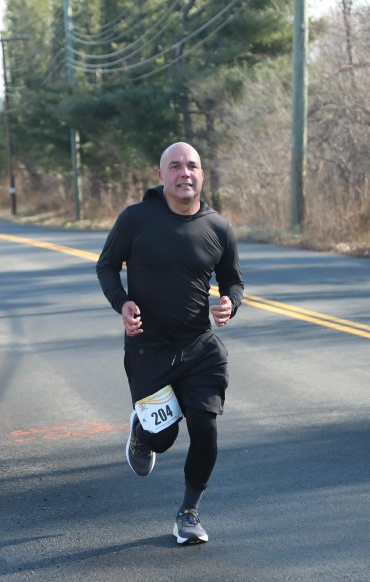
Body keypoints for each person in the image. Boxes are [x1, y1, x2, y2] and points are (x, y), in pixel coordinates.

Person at [96, 141, 244, 545]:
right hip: (148, 348)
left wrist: (230, 303)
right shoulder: (136, 219)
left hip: (200, 348)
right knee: (163, 438)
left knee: (205, 427)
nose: (185, 173)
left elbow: (233, 281)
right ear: (161, 176)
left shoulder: (218, 228)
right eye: (175, 166)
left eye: (192, 166)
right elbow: (106, 266)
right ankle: (142, 433)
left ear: (202, 175)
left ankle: (188, 514)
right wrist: (122, 302)